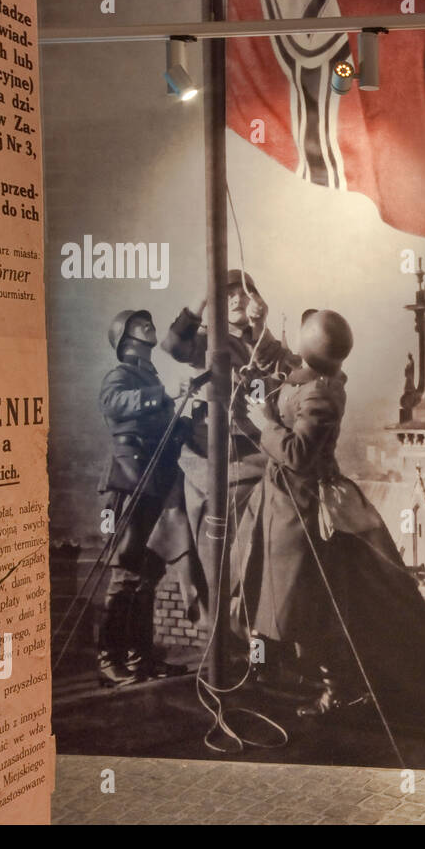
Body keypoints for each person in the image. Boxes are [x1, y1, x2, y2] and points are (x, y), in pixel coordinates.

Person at [237, 309, 425, 717]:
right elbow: (286, 382)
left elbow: (298, 454)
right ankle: (260, 668)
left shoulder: (322, 394)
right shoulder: (312, 378)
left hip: (302, 511)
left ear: (310, 347)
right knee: (260, 586)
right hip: (278, 504)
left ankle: (339, 688)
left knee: (306, 603)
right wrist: (259, 387)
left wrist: (261, 422)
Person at [160, 269, 302, 630]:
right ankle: (223, 637)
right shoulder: (209, 340)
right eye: (228, 294)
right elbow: (174, 345)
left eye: (245, 291)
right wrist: (201, 299)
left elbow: (291, 371)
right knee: (219, 554)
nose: (238, 298)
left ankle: (258, 638)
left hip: (257, 454)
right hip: (213, 459)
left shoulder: (265, 344)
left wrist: (261, 328)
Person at [96, 310, 190, 685]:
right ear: (125, 338)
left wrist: (187, 413)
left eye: (149, 322)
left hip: (154, 479)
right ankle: (109, 660)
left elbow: (165, 430)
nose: (148, 325)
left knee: (147, 574)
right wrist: (164, 396)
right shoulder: (121, 375)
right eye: (139, 324)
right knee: (125, 573)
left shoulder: (150, 377)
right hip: (128, 480)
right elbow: (113, 404)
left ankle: (140, 658)